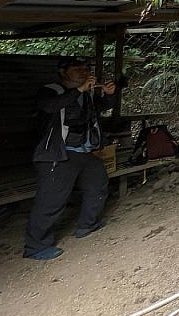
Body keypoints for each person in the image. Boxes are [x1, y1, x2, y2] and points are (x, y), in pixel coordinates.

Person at [23, 57, 118, 260]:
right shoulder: (50, 90)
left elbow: (100, 108)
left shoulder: (86, 94)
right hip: (57, 154)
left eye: (86, 68)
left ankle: (87, 225)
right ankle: (36, 247)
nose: (83, 71)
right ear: (63, 72)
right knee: (51, 201)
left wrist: (109, 96)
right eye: (77, 68)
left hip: (84, 152)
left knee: (98, 185)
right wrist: (80, 90)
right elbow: (50, 107)